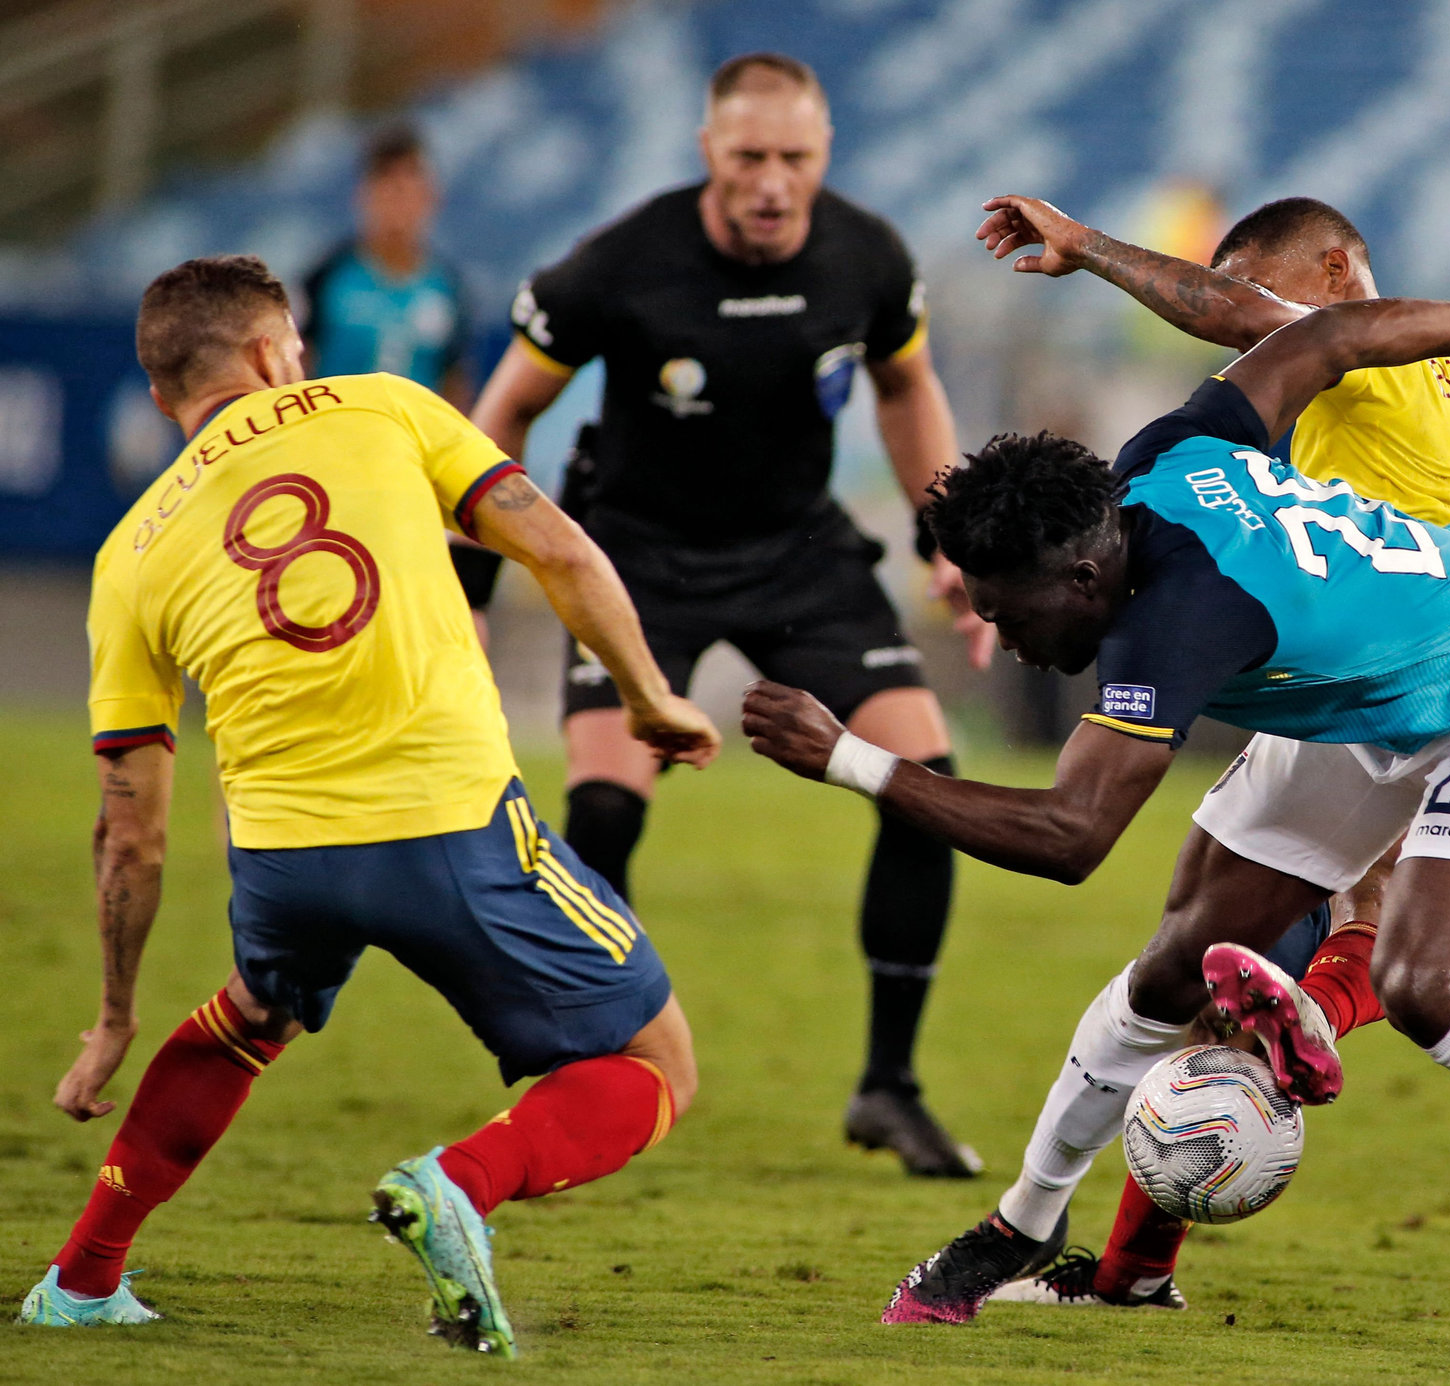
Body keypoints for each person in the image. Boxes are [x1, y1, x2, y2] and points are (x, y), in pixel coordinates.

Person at [743, 298, 1450, 1361]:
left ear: (1085, 573)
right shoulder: (1162, 458)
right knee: (1172, 968)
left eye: (1007, 607)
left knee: (1427, 983)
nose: (997, 629)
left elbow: (1070, 838)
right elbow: (1325, 339)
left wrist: (849, 759)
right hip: (1355, 698)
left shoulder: (1180, 624)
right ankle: (1022, 1225)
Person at [18, 256, 721, 1359]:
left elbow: (133, 831)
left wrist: (112, 1015)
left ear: (163, 397)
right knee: (656, 1063)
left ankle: (80, 1278)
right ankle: (457, 1183)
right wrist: (650, 695)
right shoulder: (386, 405)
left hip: (286, 861)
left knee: (256, 1010)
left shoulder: (129, 555)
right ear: (271, 353)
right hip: (450, 824)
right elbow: (557, 547)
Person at [467, 52, 992, 1178]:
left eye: (793, 158)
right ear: (707, 151)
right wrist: (474, 586)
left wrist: (945, 535)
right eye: (748, 156)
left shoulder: (868, 256)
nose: (770, 182)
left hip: (800, 557)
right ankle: (593, 1068)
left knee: (923, 782)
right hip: (636, 564)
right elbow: (500, 412)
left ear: (824, 156)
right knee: (604, 815)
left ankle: (888, 1088)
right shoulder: (617, 266)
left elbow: (908, 388)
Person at [300, 123, 500, 629]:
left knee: (404, 610)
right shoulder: (328, 276)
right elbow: (290, 369)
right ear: (364, 196)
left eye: (411, 191)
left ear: (430, 200)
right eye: (388, 190)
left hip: (408, 474)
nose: (400, 205)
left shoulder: (445, 287)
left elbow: (456, 384)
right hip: (330, 470)